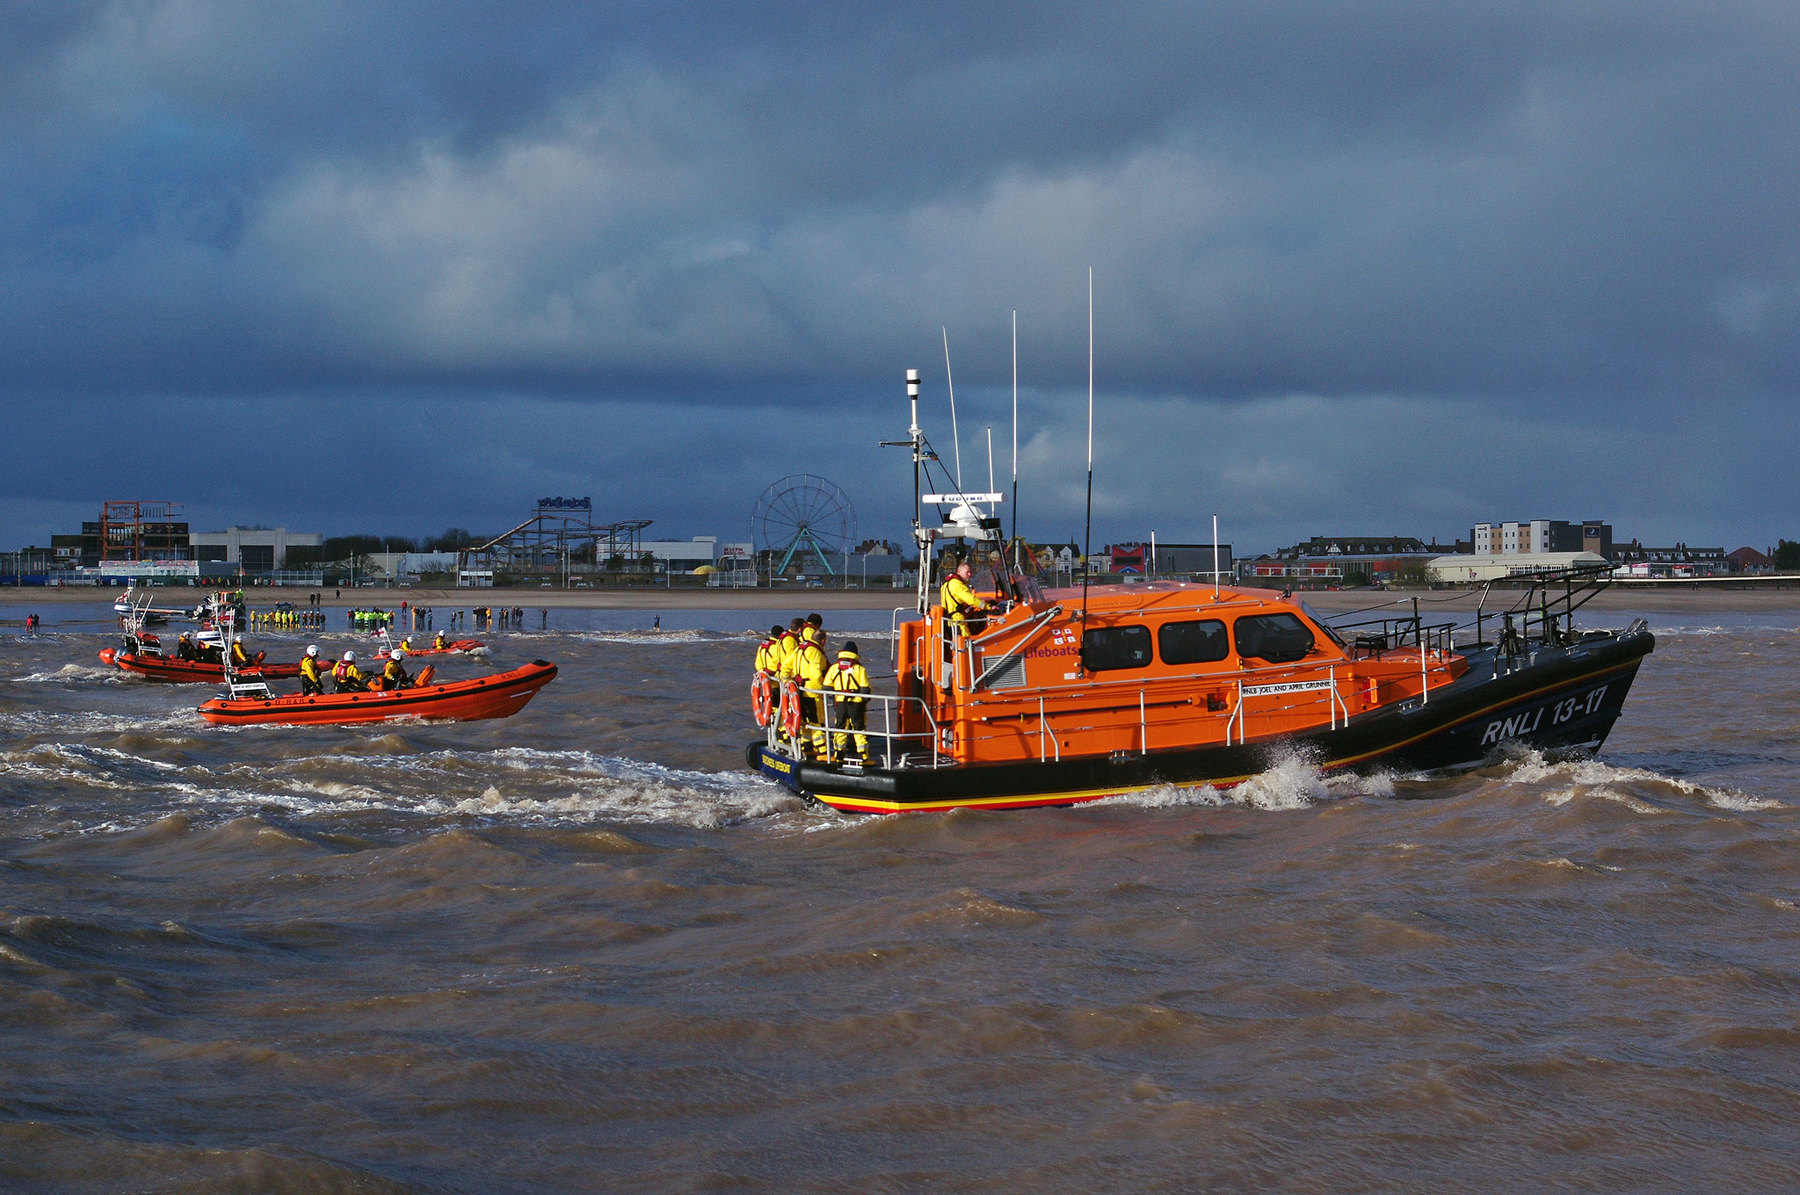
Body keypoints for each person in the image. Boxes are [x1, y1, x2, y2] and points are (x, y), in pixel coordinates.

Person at [823, 640, 873, 762]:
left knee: (840, 728)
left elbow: (826, 686)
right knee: (859, 729)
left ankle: (839, 756)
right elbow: (865, 689)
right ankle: (864, 757)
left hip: (839, 703)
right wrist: (864, 700)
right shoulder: (860, 669)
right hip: (856, 704)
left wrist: (834, 696)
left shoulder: (834, 668)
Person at [793, 625, 829, 757]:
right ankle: (823, 751)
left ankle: (806, 747)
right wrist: (824, 690)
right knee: (817, 721)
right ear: (823, 641)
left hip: (800, 690)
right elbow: (815, 675)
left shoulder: (799, 649)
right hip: (813, 692)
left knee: (805, 721)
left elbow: (787, 665)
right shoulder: (815, 653)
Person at [940, 559, 992, 635]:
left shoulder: (946, 584)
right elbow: (971, 599)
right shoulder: (957, 585)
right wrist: (988, 607)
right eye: (967, 572)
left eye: (970, 572)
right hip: (957, 620)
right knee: (966, 643)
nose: (970, 574)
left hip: (949, 620)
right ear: (959, 572)